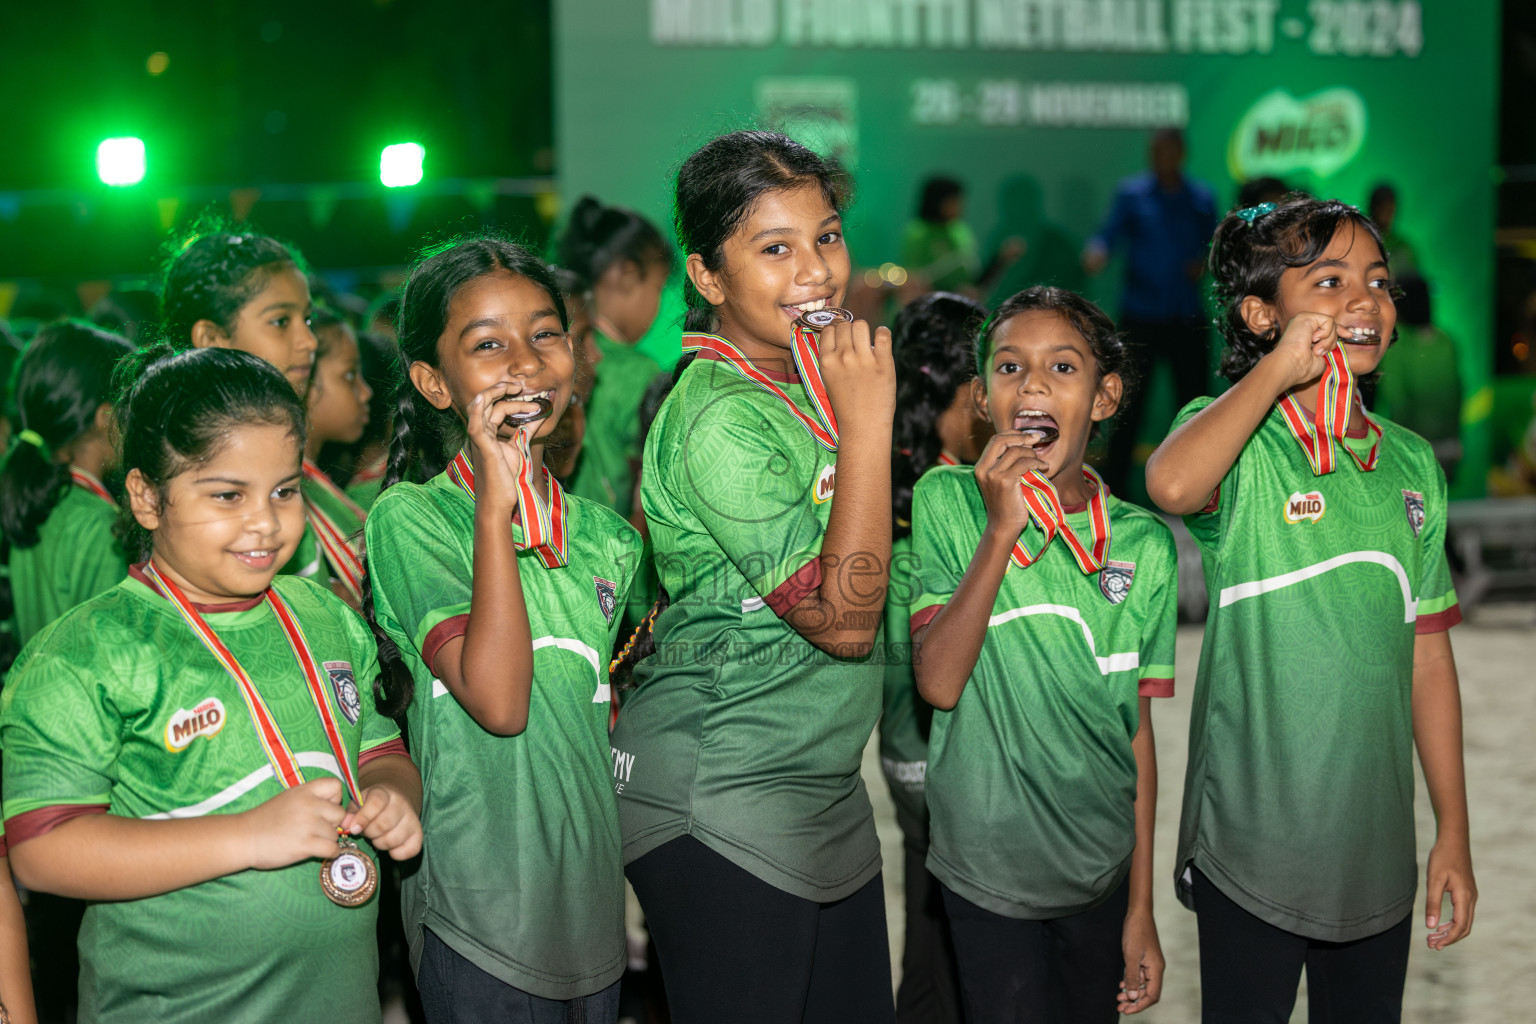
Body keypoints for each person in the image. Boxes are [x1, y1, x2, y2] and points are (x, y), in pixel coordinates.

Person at [0, 346, 422, 1023]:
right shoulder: (86, 653)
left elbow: (377, 749)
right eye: (228, 495)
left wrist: (394, 796)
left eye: (285, 491)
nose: (265, 521)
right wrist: (249, 838)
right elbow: (43, 849)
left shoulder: (326, 618)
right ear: (145, 497)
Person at [1145, 197, 1476, 1021]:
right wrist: (1277, 371)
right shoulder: (1240, 440)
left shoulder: (1409, 464)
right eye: (1328, 281)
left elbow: (1429, 659)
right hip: (1251, 844)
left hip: (1376, 854)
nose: (1364, 301)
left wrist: (1455, 832)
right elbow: (1173, 483)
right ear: (1261, 314)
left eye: (1377, 280)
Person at [608, 129, 897, 1024]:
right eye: (774, 249)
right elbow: (845, 622)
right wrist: (871, 429)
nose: (815, 270)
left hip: (822, 792)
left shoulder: (810, 382)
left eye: (828, 235)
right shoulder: (719, 417)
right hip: (721, 797)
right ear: (706, 277)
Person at [362, 235, 643, 1023]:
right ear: (433, 383)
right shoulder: (414, 520)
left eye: (545, 333)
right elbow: (499, 701)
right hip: (481, 924)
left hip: (589, 920)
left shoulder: (607, 539)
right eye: (488, 344)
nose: (524, 361)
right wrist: (495, 503)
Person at [910, 287, 1171, 1021]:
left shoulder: (1143, 544)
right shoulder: (946, 502)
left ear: (1104, 395)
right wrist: (1000, 531)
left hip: (1100, 865)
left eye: (1062, 366)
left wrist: (1141, 906)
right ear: (982, 399)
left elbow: (1137, 736)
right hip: (986, 867)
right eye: (1008, 367)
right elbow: (937, 682)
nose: (1032, 385)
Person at [884, 291, 991, 1024]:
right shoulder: (944, 509)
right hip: (949, 763)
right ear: (959, 394)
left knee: (932, 942)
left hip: (907, 761)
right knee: (961, 956)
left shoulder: (886, 490)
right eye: (996, 380)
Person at [157, 222, 326, 584]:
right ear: (212, 338)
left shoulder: (289, 456)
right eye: (281, 321)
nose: (309, 341)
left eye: (307, 318)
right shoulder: (179, 459)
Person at [1083, 127, 1218, 495]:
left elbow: (1215, 245)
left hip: (1185, 315)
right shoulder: (1132, 194)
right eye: (1155, 151)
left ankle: (1202, 493)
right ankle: (1113, 495)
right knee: (1127, 407)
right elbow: (1107, 233)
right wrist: (1097, 250)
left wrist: (1204, 263)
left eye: (1169, 151)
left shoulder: (1201, 197)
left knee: (1197, 409)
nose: (1162, 158)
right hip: (1141, 316)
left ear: (1181, 153)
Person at [1, 321, 134, 660]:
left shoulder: (38, 500)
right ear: (106, 417)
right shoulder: (100, 524)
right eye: (131, 410)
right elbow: (107, 657)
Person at [556, 196, 671, 519]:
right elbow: (648, 484)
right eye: (658, 287)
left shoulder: (548, 353)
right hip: (613, 540)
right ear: (628, 275)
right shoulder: (639, 372)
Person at [300, 307, 373, 609]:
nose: (365, 392)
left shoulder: (317, 488)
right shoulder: (294, 491)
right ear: (305, 380)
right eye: (348, 374)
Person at [1373, 274, 1462, 481]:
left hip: (1409, 445)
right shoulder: (1445, 340)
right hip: (1448, 443)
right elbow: (1456, 392)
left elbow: (1396, 399)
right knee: (1439, 504)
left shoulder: (1398, 345)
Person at [902, 175, 1022, 297]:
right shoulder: (918, 232)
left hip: (964, 302)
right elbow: (915, 279)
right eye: (953, 201)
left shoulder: (961, 230)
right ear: (937, 201)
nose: (959, 207)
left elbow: (972, 275)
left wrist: (1001, 259)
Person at [1368, 183, 1419, 273]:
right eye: (1383, 208)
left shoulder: (1402, 247)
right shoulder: (1362, 242)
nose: (1387, 214)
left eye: (1389, 209)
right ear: (1373, 208)